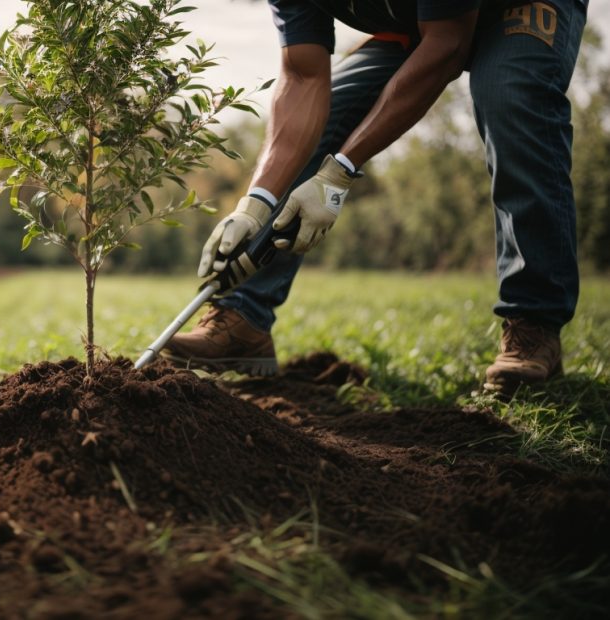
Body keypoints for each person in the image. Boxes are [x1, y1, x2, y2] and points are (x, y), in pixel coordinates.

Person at [162, 0, 588, 396]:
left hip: (513, 6)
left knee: (508, 94)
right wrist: (255, 203)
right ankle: (243, 319)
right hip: (415, 24)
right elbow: (304, 75)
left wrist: (339, 173)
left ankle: (533, 328)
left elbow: (448, 44)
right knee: (326, 115)